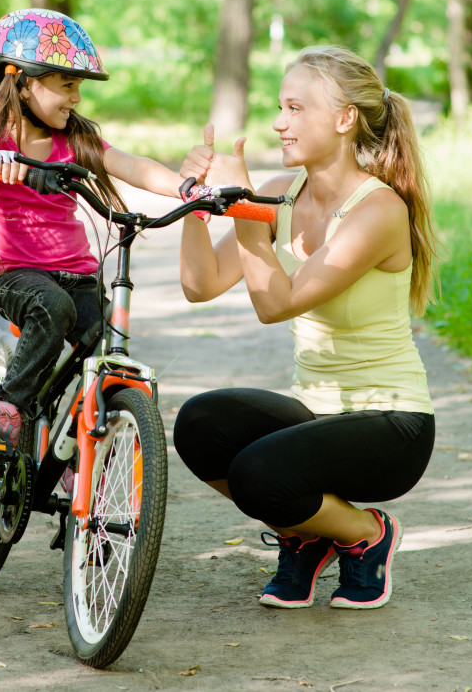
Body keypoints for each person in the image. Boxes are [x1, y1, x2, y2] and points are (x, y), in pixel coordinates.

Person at [174, 45, 439, 610]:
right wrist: (196, 203)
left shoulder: (378, 211)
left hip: (391, 422)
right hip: (313, 413)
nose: (278, 122)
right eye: (279, 106)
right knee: (199, 424)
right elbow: (199, 284)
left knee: (258, 473)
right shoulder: (282, 191)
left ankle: (366, 535)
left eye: (295, 108)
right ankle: (306, 531)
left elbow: (277, 304)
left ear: (345, 119)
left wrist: (244, 211)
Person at [0, 8, 187, 444]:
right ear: (21, 80)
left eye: (78, 86)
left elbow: (130, 165)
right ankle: (6, 406)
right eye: (67, 84)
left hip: (76, 274)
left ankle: (74, 449)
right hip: (17, 275)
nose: (76, 97)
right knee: (52, 308)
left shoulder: (75, 138)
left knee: (105, 338)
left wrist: (187, 188)